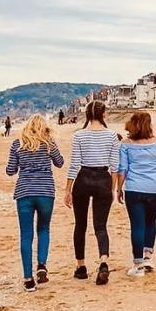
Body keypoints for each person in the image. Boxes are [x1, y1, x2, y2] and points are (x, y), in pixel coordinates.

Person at [6, 115, 64, 291]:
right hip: (46, 191)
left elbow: (10, 171)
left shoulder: (18, 144)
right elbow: (60, 163)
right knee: (44, 229)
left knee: (26, 235)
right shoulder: (48, 143)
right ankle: (41, 265)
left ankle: (28, 279)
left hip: (24, 191)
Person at [65, 101, 120, 285]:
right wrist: (112, 188)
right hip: (103, 178)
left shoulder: (79, 135)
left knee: (80, 225)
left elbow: (74, 164)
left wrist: (68, 189)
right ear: (103, 114)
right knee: (101, 226)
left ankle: (81, 267)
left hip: (84, 177)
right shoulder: (112, 136)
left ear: (88, 115)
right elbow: (114, 167)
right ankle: (103, 261)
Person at [117, 112, 156, 277]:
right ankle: (148, 256)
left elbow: (123, 169)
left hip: (135, 188)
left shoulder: (126, 145)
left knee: (137, 225)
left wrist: (119, 188)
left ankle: (138, 264)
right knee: (151, 222)